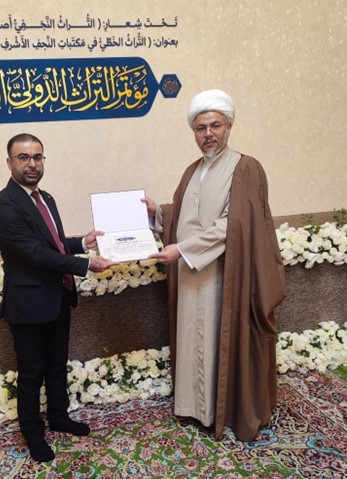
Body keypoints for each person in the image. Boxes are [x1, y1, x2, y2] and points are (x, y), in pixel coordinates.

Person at [143, 89, 286, 441]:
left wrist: (183, 250)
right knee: (192, 339)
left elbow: (235, 225)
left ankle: (217, 411)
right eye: (201, 128)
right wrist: (158, 213)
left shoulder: (246, 167)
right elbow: (184, 215)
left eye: (215, 126)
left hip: (225, 276)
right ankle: (193, 407)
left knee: (215, 341)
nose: (208, 134)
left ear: (229, 126)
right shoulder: (193, 170)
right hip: (189, 273)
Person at [0, 133, 113, 462]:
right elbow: (34, 254)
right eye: (24, 157)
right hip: (28, 304)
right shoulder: (4, 205)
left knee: (57, 365)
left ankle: (59, 416)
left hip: (57, 297)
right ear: (9, 162)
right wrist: (85, 265)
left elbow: (53, 245)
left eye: (37, 157)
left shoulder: (46, 199)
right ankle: (33, 432)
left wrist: (81, 244)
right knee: (32, 373)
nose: (32, 164)